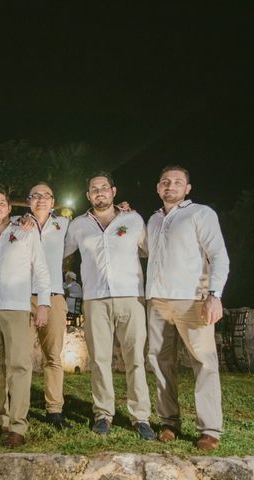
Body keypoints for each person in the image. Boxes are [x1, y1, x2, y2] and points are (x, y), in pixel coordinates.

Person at [64, 172, 155, 439]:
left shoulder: (133, 219)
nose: (100, 192)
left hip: (131, 297)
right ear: (88, 196)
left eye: (104, 187)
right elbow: (59, 251)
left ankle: (140, 417)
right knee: (100, 359)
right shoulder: (79, 225)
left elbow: (150, 250)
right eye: (94, 189)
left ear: (114, 191)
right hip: (95, 298)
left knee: (135, 358)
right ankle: (103, 413)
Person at [145, 165, 229, 451]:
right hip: (157, 300)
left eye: (177, 182)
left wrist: (214, 294)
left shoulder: (200, 214)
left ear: (187, 188)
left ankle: (209, 429)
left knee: (204, 362)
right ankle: (169, 421)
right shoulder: (154, 220)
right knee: (159, 361)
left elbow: (218, 254)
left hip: (192, 299)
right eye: (165, 182)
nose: (170, 186)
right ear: (158, 188)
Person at [0, 191, 51, 447]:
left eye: (1, 203)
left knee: (19, 366)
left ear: (10, 207)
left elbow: (41, 269)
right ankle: (0, 419)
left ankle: (18, 425)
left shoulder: (26, 231)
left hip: (16, 307)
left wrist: (43, 303)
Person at [27, 182, 72, 430]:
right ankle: (18, 406)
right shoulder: (19, 224)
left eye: (46, 196)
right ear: (28, 201)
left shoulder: (64, 226)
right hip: (23, 297)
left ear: (53, 202)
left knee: (53, 356)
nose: (41, 200)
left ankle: (54, 409)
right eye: (36, 196)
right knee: (19, 356)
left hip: (54, 296)